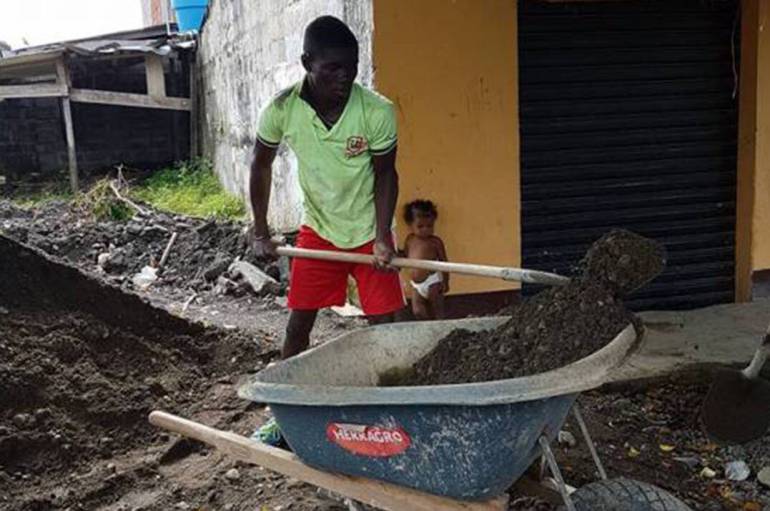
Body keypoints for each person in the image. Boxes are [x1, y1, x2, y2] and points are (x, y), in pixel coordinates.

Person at [249, 16, 403, 445]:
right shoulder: (282, 109)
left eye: (351, 67)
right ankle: (284, 415)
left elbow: (387, 176)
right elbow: (261, 164)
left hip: (368, 231)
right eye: (332, 68)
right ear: (307, 63)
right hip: (318, 231)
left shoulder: (376, 111)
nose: (344, 77)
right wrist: (260, 230)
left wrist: (383, 235)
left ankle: (400, 414)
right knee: (298, 325)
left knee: (387, 329)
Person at [402, 200, 449, 320]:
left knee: (437, 309)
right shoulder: (410, 240)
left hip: (432, 281)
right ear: (410, 225)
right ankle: (427, 327)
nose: (425, 230)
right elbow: (406, 255)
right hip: (416, 285)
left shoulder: (435, 242)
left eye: (430, 226)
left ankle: (440, 327)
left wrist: (445, 281)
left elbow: (444, 262)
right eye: (420, 226)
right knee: (417, 311)